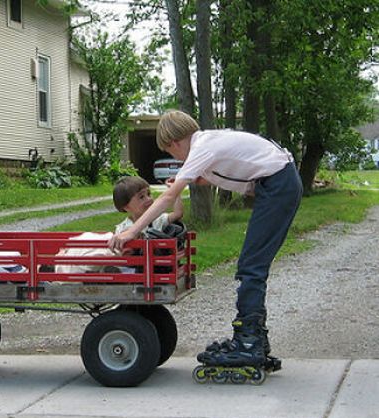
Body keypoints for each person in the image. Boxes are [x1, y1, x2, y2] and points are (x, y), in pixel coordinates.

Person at [108, 110, 302, 372]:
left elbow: (167, 199)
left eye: (172, 153)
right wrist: (195, 179)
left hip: (277, 186)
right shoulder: (209, 141)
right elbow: (227, 171)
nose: (177, 158)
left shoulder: (201, 147)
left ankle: (248, 342)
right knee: (252, 264)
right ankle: (254, 338)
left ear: (173, 143)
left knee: (251, 266)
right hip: (279, 183)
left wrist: (132, 232)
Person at [112, 175, 184, 237]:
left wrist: (175, 190)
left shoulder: (157, 219)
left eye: (149, 194)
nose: (148, 199)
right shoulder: (122, 228)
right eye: (141, 197)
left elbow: (178, 213)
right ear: (126, 207)